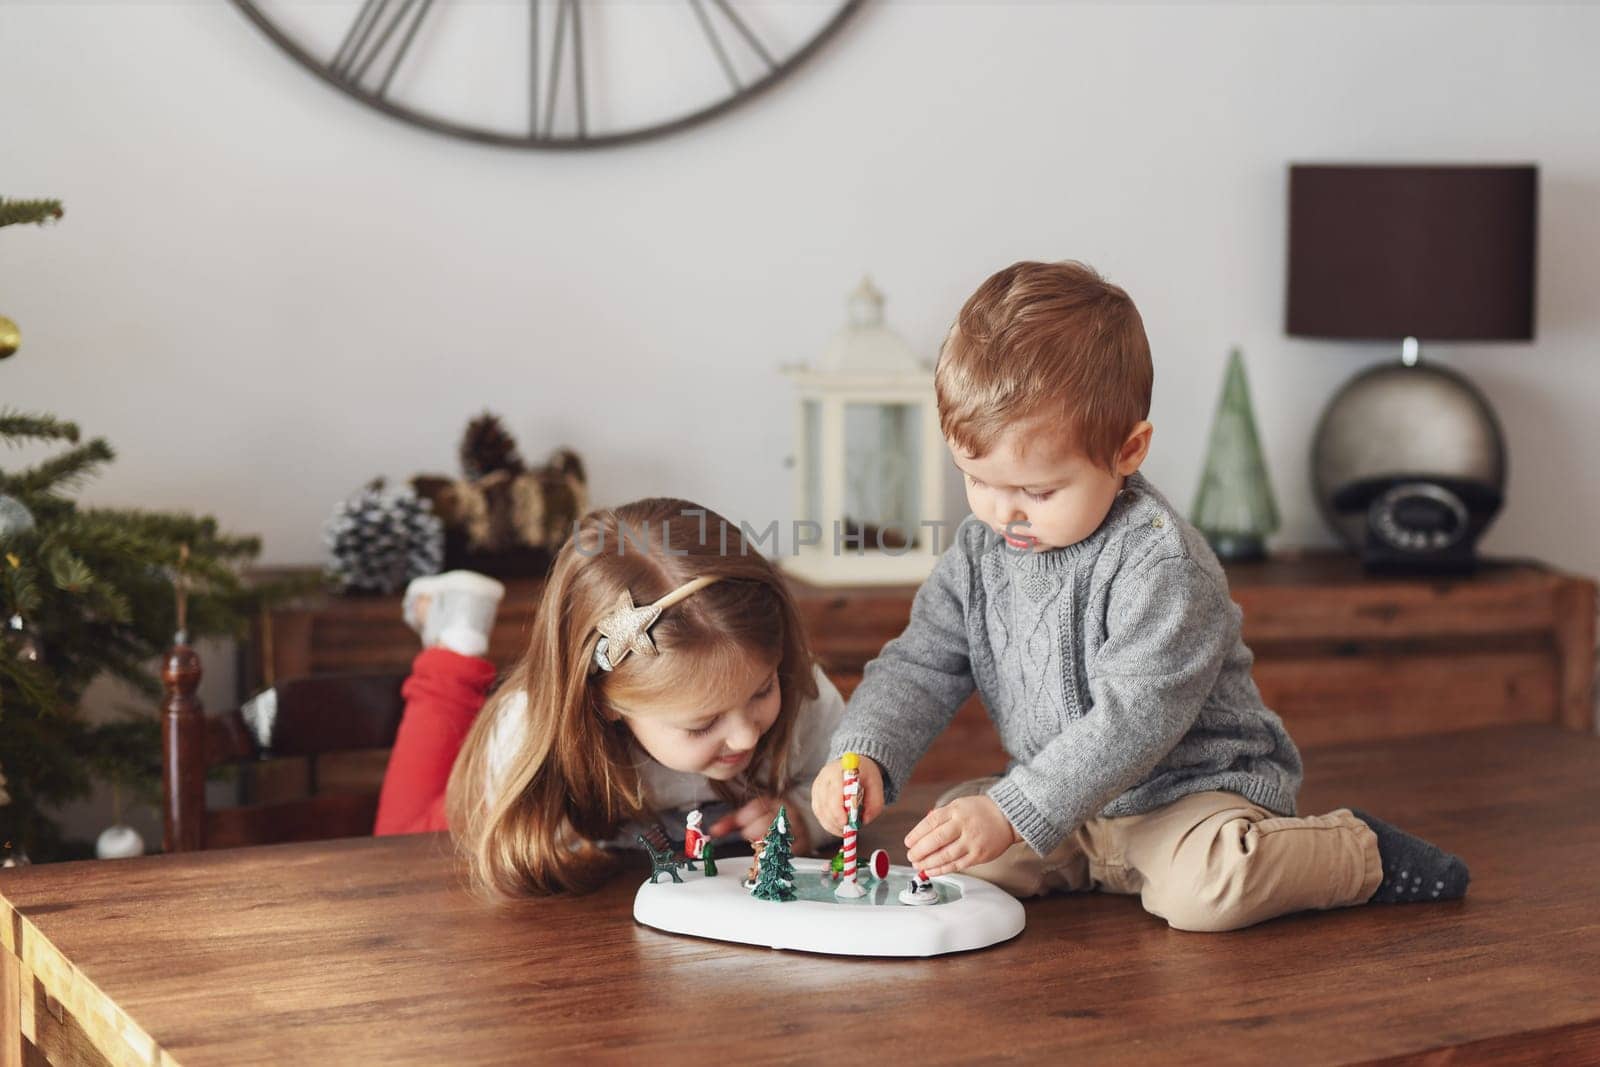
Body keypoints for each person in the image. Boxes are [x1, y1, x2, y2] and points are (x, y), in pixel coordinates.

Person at [811, 261, 1469, 932]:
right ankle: (1089, 859)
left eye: (1038, 492)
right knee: (948, 858)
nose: (1003, 512)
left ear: (1128, 450)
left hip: (1189, 796)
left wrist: (1011, 811)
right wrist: (863, 752)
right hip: (1072, 803)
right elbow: (920, 662)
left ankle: (1358, 852)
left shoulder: (1163, 564)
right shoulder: (980, 552)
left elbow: (1132, 720)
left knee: (1209, 892)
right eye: (976, 479)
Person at [374, 497, 844, 898]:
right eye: (703, 723)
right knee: (403, 835)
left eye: (762, 690)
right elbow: (505, 851)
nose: (745, 735)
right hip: (480, 795)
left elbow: (845, 783)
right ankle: (455, 636)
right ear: (605, 702)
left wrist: (806, 815)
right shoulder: (527, 734)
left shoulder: (804, 693)